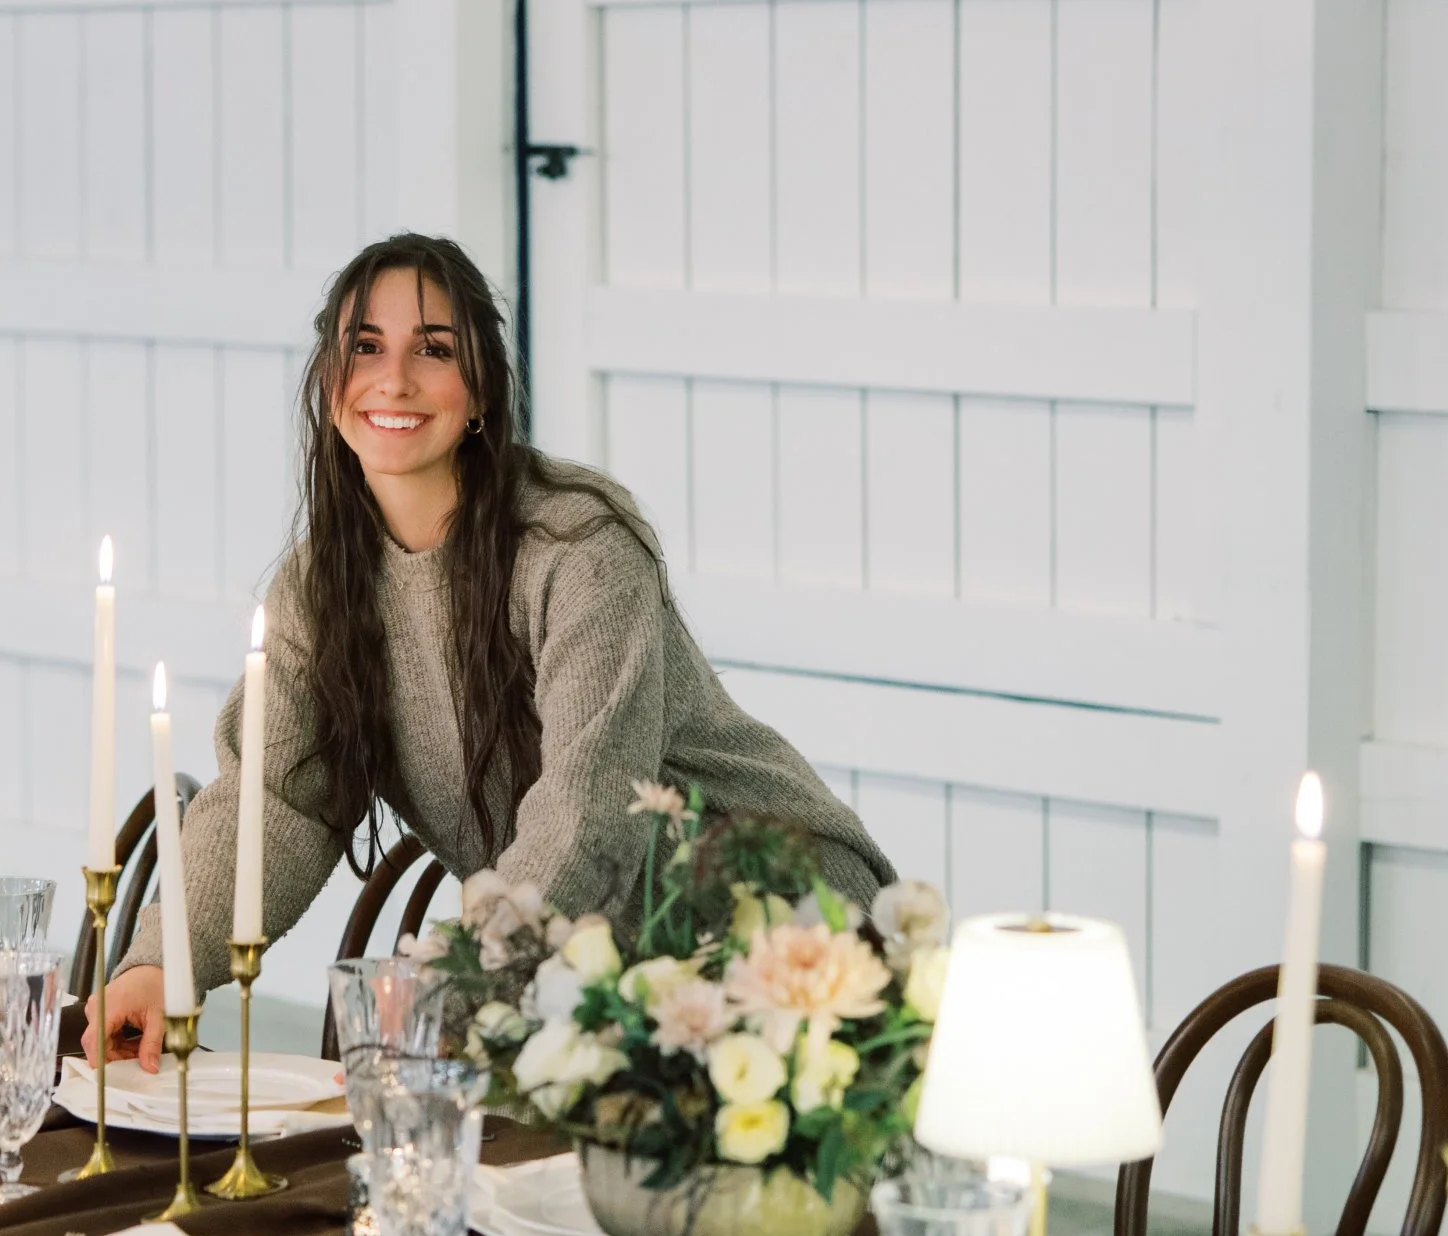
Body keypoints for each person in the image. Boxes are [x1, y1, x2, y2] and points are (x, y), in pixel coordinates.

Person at [95, 233, 893, 1068]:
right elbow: (277, 799)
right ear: (329, 385)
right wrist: (161, 962)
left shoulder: (578, 546)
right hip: (598, 986)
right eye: (365, 346)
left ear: (478, 392)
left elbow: (587, 810)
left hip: (784, 934)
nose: (394, 378)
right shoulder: (318, 587)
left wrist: (457, 983)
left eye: (433, 349)